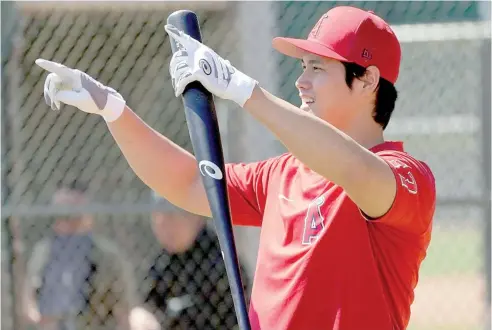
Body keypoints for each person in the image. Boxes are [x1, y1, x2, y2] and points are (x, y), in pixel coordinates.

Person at [34, 5, 436, 330]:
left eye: (318, 67)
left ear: (367, 80)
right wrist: (113, 110)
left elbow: (356, 171)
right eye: (302, 67)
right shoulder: (281, 174)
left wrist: (243, 90)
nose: (301, 81)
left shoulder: (406, 176)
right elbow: (191, 181)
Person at [23, 183, 159, 330]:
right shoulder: (44, 252)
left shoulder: (105, 256)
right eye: (61, 215)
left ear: (89, 217)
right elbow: (29, 298)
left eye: (75, 216)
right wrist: (41, 319)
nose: (67, 223)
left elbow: (124, 309)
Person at [143, 192, 250, 330]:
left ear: (195, 218)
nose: (164, 227)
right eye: (157, 219)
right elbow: (149, 302)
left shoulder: (219, 260)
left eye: (171, 218)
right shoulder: (163, 261)